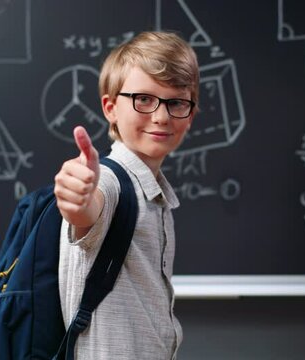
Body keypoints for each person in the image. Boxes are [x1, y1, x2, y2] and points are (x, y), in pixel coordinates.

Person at [53, 31, 199, 359]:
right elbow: (89, 209)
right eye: (143, 99)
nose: (161, 116)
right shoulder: (109, 182)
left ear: (190, 114)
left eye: (176, 102)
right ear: (110, 107)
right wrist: (77, 198)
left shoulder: (154, 194)